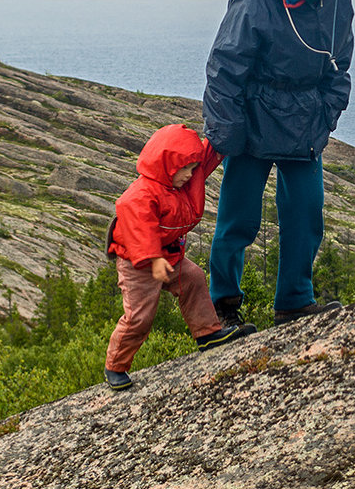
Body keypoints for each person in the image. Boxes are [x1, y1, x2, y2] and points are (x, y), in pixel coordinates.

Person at [203, 0, 355, 328]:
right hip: (252, 122)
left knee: (306, 214)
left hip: (305, 122)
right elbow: (224, 68)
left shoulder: (338, 0)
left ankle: (294, 302)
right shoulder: (254, 0)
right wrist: (226, 132)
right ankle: (222, 310)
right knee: (238, 219)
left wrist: (327, 113)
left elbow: (340, 65)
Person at [104, 123, 254, 391]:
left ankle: (208, 334)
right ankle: (115, 366)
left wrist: (229, 128)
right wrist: (152, 258)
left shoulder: (188, 177)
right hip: (138, 262)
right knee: (140, 316)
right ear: (166, 165)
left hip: (169, 256)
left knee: (194, 279)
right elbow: (138, 226)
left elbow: (207, 155)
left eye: (192, 168)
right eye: (183, 169)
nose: (190, 174)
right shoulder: (140, 195)